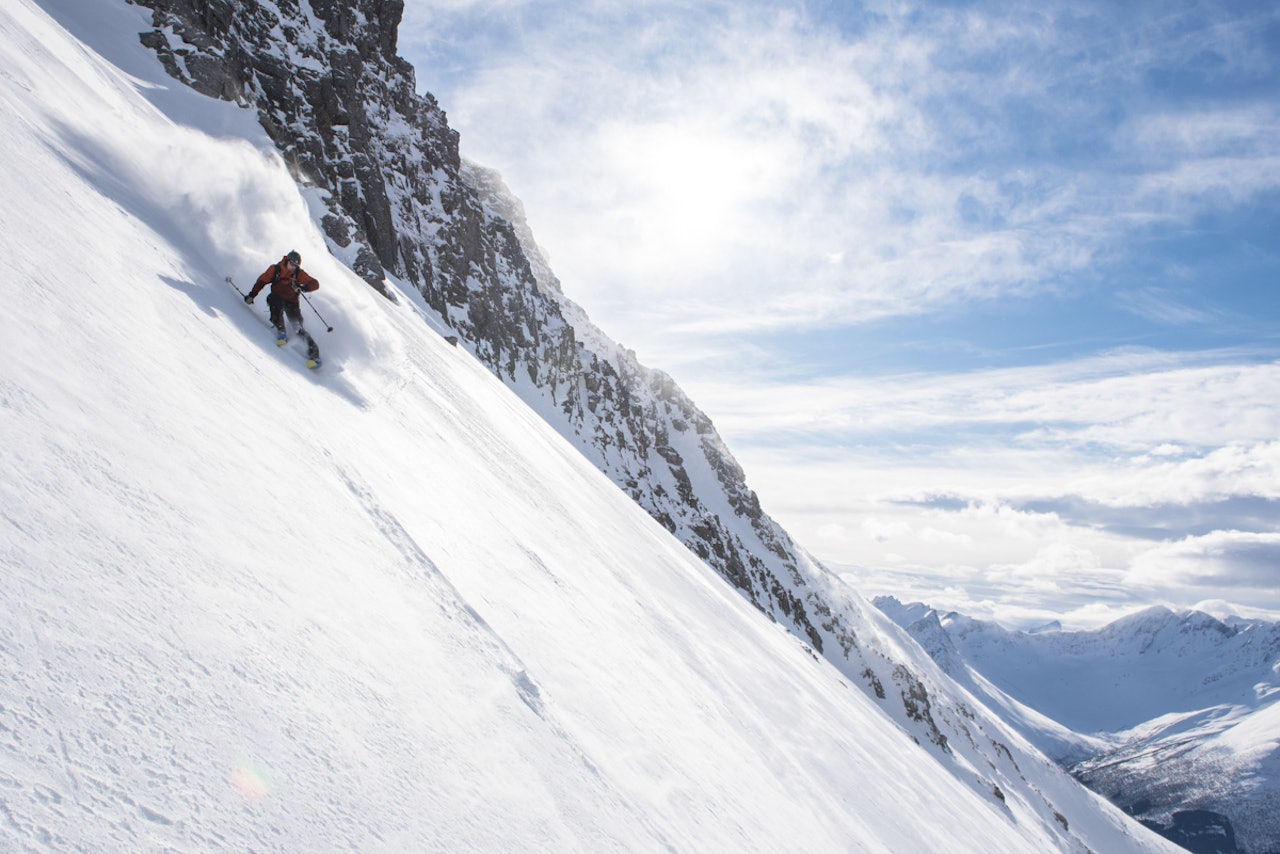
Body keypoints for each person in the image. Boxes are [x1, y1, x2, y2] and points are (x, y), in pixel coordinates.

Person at [244, 250, 320, 362]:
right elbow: (261, 281)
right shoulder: (275, 269)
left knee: (298, 327)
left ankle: (314, 355)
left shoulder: (298, 273)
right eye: (292, 264)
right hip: (277, 297)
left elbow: (315, 284)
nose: (293, 267)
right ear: (287, 261)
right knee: (275, 305)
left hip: (292, 302)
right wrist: (252, 295)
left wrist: (302, 287)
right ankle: (281, 331)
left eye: (296, 265)